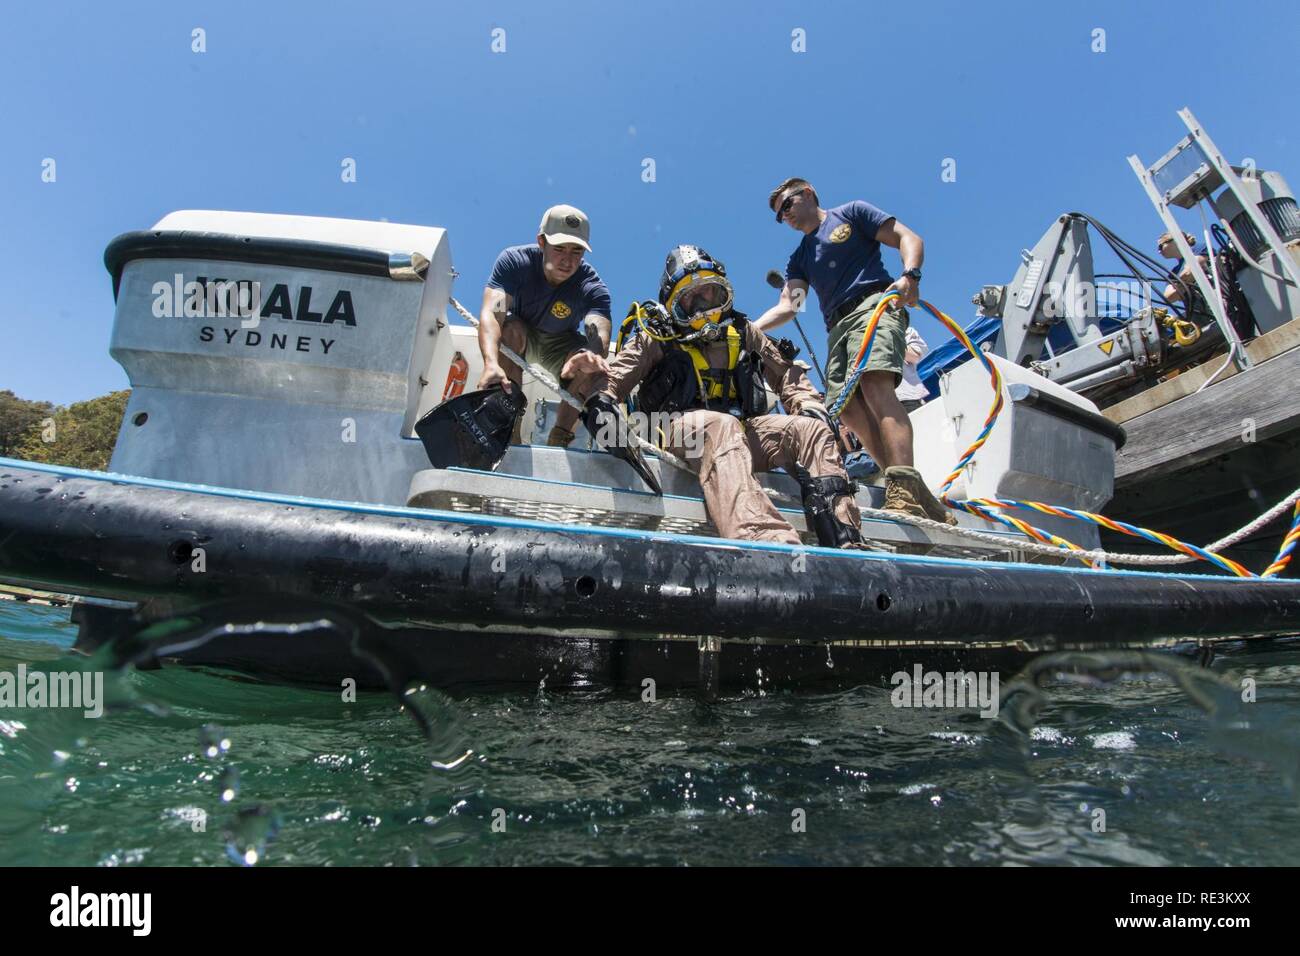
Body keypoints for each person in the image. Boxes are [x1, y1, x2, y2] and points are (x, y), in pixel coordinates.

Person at [568, 244, 864, 548]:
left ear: (723, 292)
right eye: (689, 298)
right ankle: (766, 544)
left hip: (739, 433)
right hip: (675, 432)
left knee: (811, 430)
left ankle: (844, 538)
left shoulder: (744, 331)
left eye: (708, 292)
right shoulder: (656, 336)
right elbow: (613, 377)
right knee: (719, 426)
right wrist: (601, 404)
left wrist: (809, 404)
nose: (702, 306)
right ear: (674, 306)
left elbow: (787, 373)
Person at [756, 177, 955, 525]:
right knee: (846, 411)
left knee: (875, 386)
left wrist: (910, 276)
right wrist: (749, 329)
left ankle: (903, 490)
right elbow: (790, 305)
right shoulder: (800, 259)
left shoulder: (851, 214)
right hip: (836, 328)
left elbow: (909, 238)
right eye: (778, 215)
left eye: (787, 205)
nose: (784, 216)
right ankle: (911, 487)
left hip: (873, 306)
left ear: (808, 193)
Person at [476, 205, 613, 446]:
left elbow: (599, 330)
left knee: (591, 365)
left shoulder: (592, 286)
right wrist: (490, 362)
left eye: (576, 251)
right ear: (541, 242)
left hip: (561, 342)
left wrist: (591, 354)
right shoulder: (514, 261)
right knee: (509, 330)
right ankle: (511, 430)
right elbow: (492, 312)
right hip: (521, 333)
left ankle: (559, 438)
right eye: (559, 249)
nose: (567, 260)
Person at [896, 326, 930, 413]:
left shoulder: (903, 328)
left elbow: (915, 356)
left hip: (907, 398)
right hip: (871, 405)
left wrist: (884, 340)